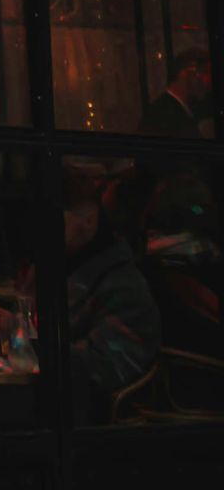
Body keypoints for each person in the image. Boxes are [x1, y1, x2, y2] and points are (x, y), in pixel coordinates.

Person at [63, 170, 161, 420]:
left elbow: (105, 369)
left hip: (93, 432)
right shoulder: (71, 269)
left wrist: (31, 343)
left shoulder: (123, 286)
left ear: (88, 220)